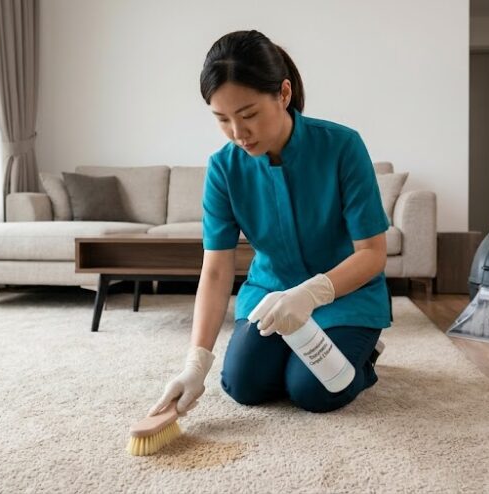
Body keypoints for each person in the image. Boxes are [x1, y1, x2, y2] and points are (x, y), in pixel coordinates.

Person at [150, 30, 390, 415]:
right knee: (241, 384)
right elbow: (216, 269)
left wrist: (312, 294)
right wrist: (195, 363)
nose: (237, 133)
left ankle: (365, 357)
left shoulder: (342, 147)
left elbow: (373, 254)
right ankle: (301, 359)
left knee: (313, 391)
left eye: (248, 115)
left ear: (283, 93)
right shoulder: (223, 169)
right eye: (222, 119)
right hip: (269, 294)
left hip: (345, 295)